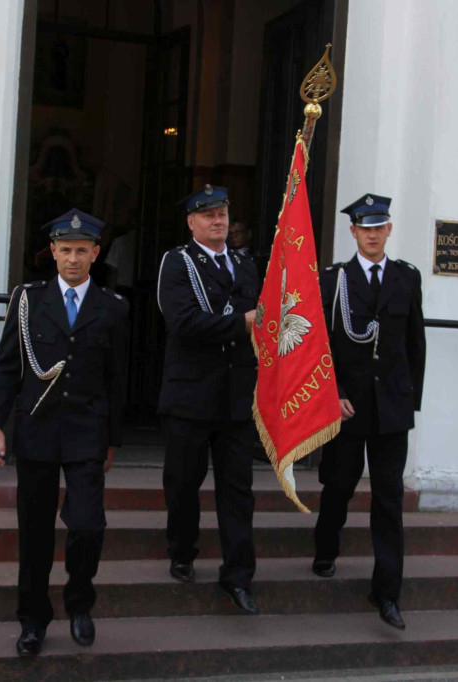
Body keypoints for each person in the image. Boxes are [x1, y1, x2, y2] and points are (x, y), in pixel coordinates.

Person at [0, 209, 129, 657]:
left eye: (81, 250)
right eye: (64, 250)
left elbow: (117, 379)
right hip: (37, 430)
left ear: (95, 253)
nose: (72, 259)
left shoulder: (113, 306)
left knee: (88, 525)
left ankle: (80, 602)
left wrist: (113, 439)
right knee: (35, 533)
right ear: (52, 251)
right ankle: (32, 620)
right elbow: (7, 366)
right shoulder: (29, 300)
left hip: (87, 431)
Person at [313, 193, 426, 631]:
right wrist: (330, 393)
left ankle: (387, 592)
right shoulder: (333, 280)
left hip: (391, 408)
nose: (373, 234)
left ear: (389, 230)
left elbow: (415, 342)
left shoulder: (406, 278)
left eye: (380, 227)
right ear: (353, 232)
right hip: (346, 405)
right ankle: (325, 548)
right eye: (365, 228)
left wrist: (409, 400)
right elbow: (319, 345)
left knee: (389, 500)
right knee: (338, 486)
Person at [156, 184, 261, 615]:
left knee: (238, 491)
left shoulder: (244, 263)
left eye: (223, 213)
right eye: (208, 215)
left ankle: (238, 576)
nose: (218, 221)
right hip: (191, 396)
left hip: (237, 397)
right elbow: (184, 322)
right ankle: (182, 551)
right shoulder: (177, 262)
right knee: (183, 482)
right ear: (191, 222)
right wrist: (242, 323)